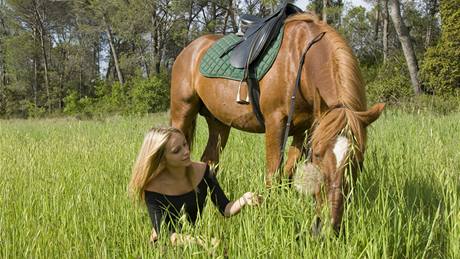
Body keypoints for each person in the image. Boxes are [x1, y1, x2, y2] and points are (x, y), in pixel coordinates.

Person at [128, 127, 261, 244]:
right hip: (167, 245)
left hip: (197, 241)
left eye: (185, 144)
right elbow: (164, 235)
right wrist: (203, 241)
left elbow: (225, 209)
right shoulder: (153, 188)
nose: (186, 151)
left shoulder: (204, 171)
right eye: (176, 151)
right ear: (162, 158)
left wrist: (244, 199)